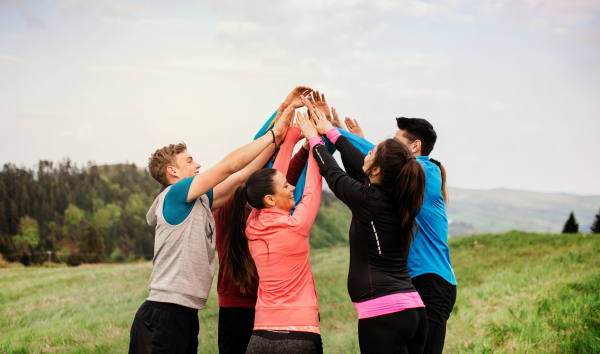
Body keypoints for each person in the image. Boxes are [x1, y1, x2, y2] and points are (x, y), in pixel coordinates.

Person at [128, 105, 295, 354]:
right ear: (172, 171)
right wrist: (272, 135)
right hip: (163, 316)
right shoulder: (174, 194)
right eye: (189, 160)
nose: (197, 164)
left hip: (184, 315)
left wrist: (277, 139)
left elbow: (242, 175)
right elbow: (229, 166)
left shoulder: (200, 200)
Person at [297, 104, 428, 354]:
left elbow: (332, 172)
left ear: (377, 169)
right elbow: (360, 163)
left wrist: (314, 139)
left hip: (384, 315)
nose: (365, 154)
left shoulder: (368, 199)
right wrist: (332, 132)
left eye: (371, 153)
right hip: (413, 311)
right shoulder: (399, 197)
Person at [329, 112, 456, 354]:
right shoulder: (404, 179)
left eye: (397, 142)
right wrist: (359, 144)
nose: (393, 147)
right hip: (412, 283)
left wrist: (338, 134)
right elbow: (368, 181)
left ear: (415, 146)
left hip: (431, 281)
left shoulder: (423, 171)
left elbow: (389, 163)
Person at [214, 92, 313, 354]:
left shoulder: (236, 212)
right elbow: (272, 167)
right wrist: (284, 125)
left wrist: (287, 128)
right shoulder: (246, 214)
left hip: (249, 308)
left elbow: (279, 174)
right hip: (255, 307)